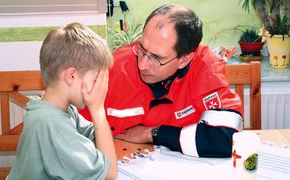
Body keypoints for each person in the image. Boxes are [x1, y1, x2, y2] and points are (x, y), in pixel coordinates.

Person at [80, 4, 243, 158]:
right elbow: (65, 125)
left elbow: (228, 137)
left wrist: (152, 133)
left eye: (157, 58)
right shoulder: (112, 68)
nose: (142, 64)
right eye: (142, 49)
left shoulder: (206, 67)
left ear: (184, 60)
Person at [8, 22, 117, 179]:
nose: (99, 88)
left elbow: (93, 134)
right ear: (71, 76)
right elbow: (110, 174)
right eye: (95, 80)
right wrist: (98, 110)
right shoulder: (50, 122)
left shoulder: (60, 109)